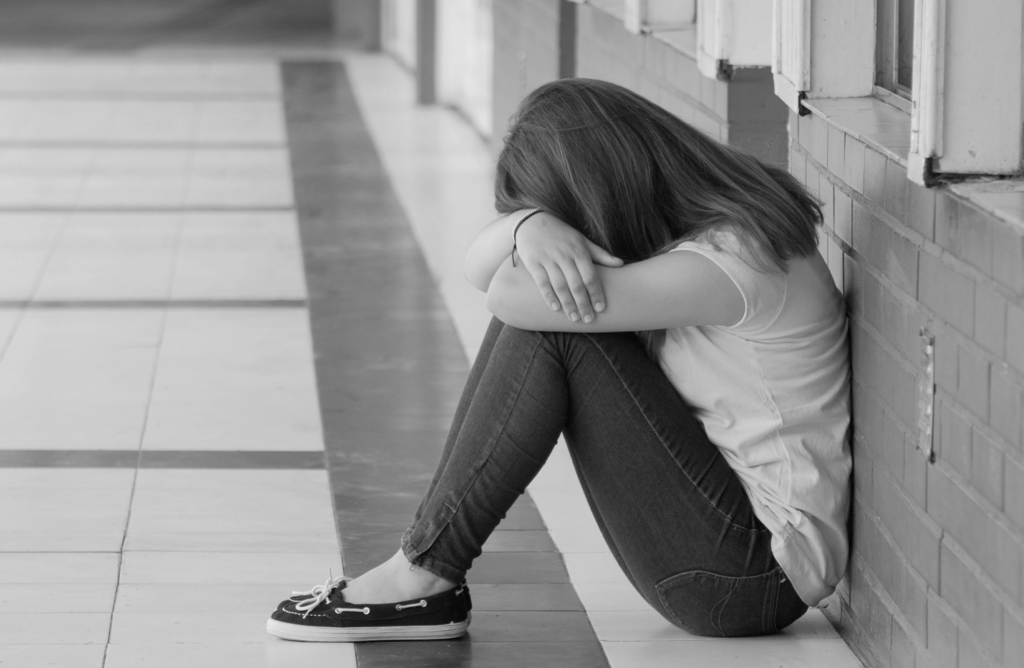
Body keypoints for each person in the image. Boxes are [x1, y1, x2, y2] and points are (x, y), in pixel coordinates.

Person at [266, 78, 851, 642]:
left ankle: (424, 573)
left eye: (567, 220)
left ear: (596, 197)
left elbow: (504, 293)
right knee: (553, 319)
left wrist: (528, 234)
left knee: (556, 330)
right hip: (731, 553)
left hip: (750, 578)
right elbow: (486, 273)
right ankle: (425, 568)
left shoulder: (733, 260)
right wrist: (528, 225)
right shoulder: (719, 234)